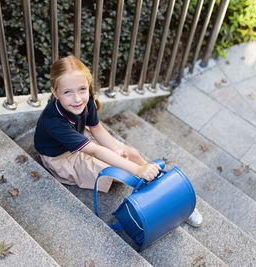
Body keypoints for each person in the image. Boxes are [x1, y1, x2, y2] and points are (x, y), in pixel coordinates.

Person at [34, 55, 202, 227]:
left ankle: (168, 194)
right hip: (62, 157)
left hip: (79, 139)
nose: (77, 99)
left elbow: (97, 129)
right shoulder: (53, 121)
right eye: (67, 92)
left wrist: (119, 153)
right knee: (120, 174)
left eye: (82, 89)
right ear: (55, 92)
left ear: (87, 86)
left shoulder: (86, 100)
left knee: (132, 154)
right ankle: (159, 202)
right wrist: (137, 169)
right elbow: (94, 151)